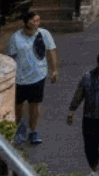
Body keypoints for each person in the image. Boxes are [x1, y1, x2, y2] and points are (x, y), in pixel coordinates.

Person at [6, 11, 59, 146]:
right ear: (27, 22)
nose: (37, 23)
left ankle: (33, 131)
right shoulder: (15, 38)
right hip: (19, 78)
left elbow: (51, 50)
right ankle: (19, 127)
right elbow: (10, 58)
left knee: (34, 105)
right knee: (18, 106)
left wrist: (54, 70)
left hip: (38, 76)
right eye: (35, 20)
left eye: (38, 20)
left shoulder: (44, 34)